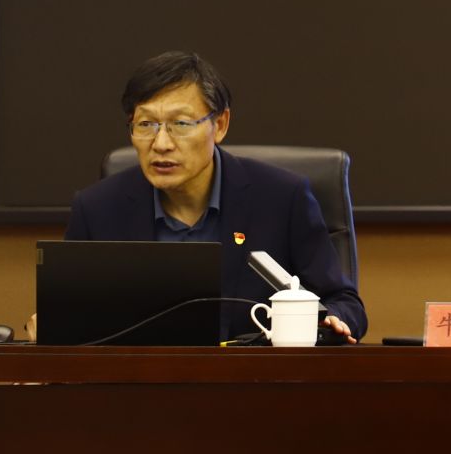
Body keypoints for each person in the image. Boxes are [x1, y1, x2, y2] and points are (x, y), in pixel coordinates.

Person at [63, 51, 367, 342]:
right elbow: (68, 318)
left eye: (180, 124)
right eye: (146, 125)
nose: (161, 143)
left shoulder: (282, 198)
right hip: (137, 376)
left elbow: (342, 302)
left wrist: (332, 320)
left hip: (252, 376)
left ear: (219, 125)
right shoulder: (96, 209)